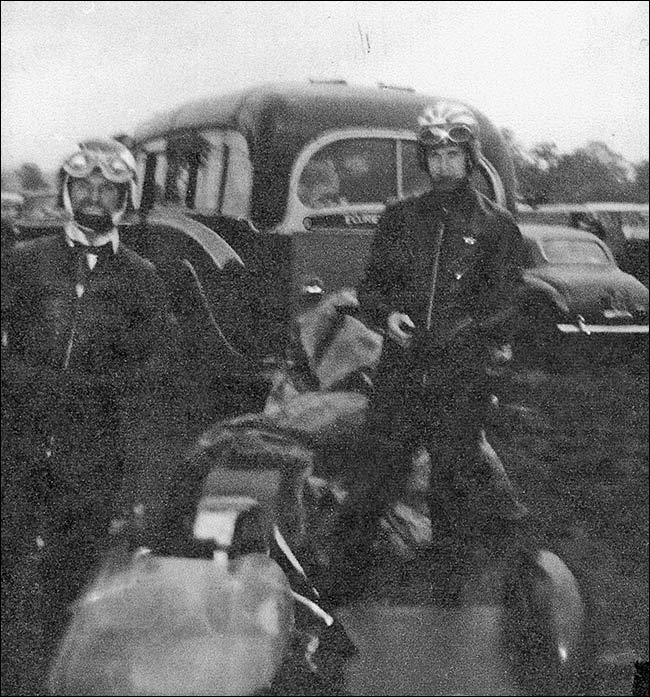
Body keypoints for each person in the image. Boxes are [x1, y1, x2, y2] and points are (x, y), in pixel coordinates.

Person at [322, 101, 530, 603]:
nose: (442, 165)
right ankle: (341, 580)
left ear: (470, 158)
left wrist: (471, 332)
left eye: (453, 155)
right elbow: (371, 288)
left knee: (453, 480)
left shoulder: (497, 226)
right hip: (402, 371)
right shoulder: (399, 218)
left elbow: (509, 300)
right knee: (376, 472)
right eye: (433, 155)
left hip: (462, 376)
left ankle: (449, 586)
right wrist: (386, 315)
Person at [1, 138, 178, 694]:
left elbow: (157, 373)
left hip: (93, 450)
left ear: (124, 197)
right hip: (19, 440)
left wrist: (140, 482)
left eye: (107, 188)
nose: (95, 197)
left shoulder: (143, 277)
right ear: (67, 193)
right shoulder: (26, 263)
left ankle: (52, 678)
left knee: (68, 579)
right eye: (84, 187)